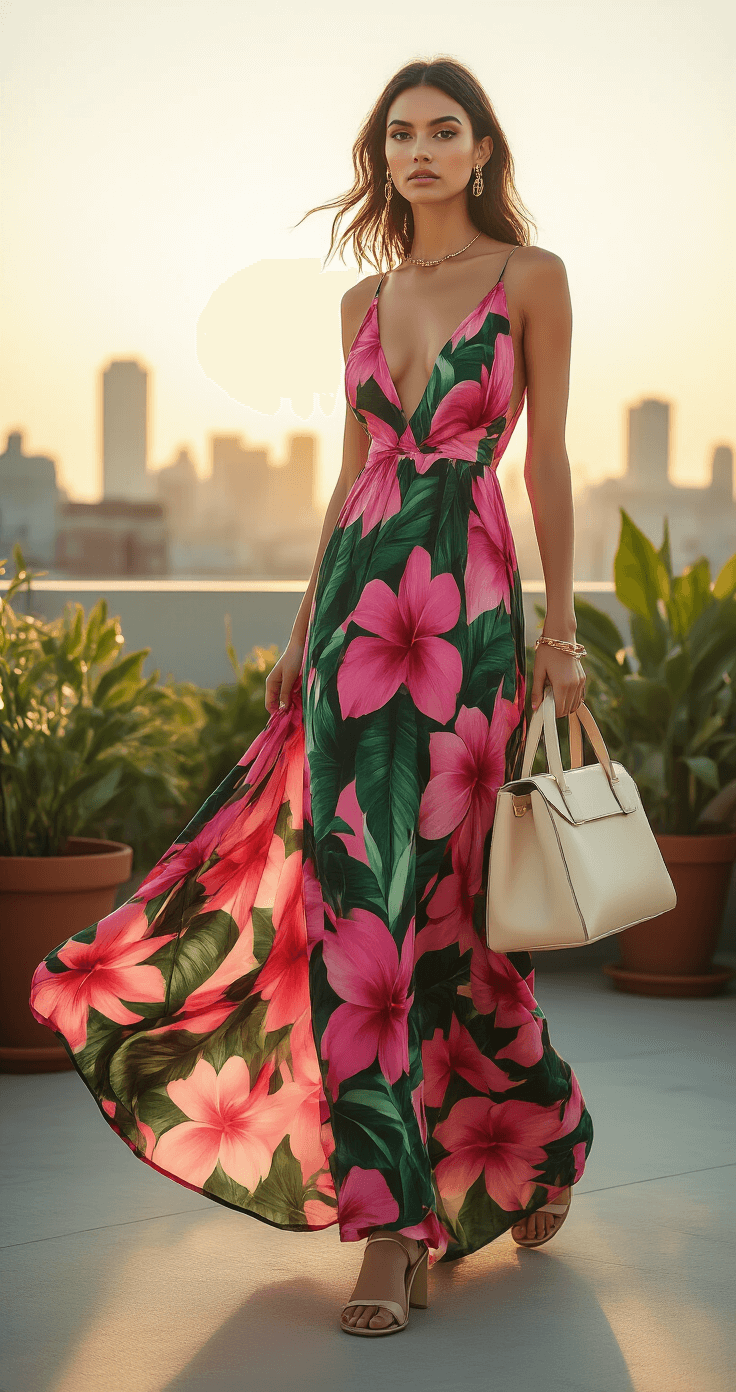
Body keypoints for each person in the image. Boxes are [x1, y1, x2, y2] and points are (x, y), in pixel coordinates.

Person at [29, 56, 593, 1339]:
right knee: (358, 913)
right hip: (351, 629)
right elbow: (348, 483)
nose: (420, 152)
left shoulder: (532, 278)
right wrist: (300, 629)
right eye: (400, 134)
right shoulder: (359, 300)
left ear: (482, 148)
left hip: (467, 620)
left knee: (439, 912)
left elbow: (548, 451)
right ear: (381, 156)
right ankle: (389, 1232)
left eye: (445, 131)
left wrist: (561, 627)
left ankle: (538, 1122)